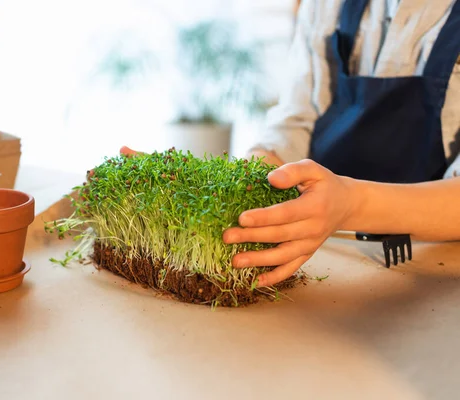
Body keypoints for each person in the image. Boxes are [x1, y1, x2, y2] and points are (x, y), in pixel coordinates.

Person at [119, 0, 460, 287]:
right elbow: (297, 120)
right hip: (321, 260)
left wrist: (350, 204)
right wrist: (227, 185)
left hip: (431, 272)